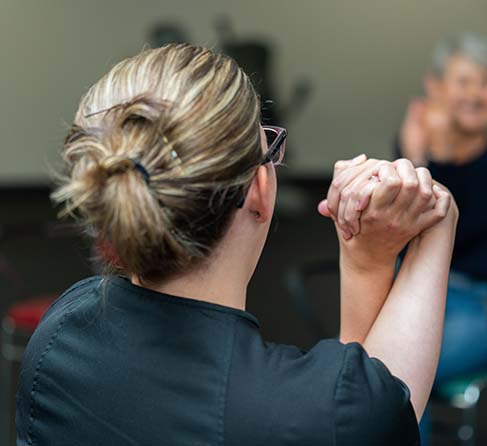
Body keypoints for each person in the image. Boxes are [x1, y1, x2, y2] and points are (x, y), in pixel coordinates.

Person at [15, 44, 458, 446]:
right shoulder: (316, 416)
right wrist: (439, 219)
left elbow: (362, 403)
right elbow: (373, 412)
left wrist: (367, 263)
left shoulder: (58, 338)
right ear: (260, 189)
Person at [395, 33, 487, 441]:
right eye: (464, 81)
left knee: (398, 378)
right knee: (365, 372)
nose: (476, 94)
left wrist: (420, 161)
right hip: (416, 298)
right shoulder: (413, 156)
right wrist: (415, 158)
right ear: (434, 88)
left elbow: (439, 234)